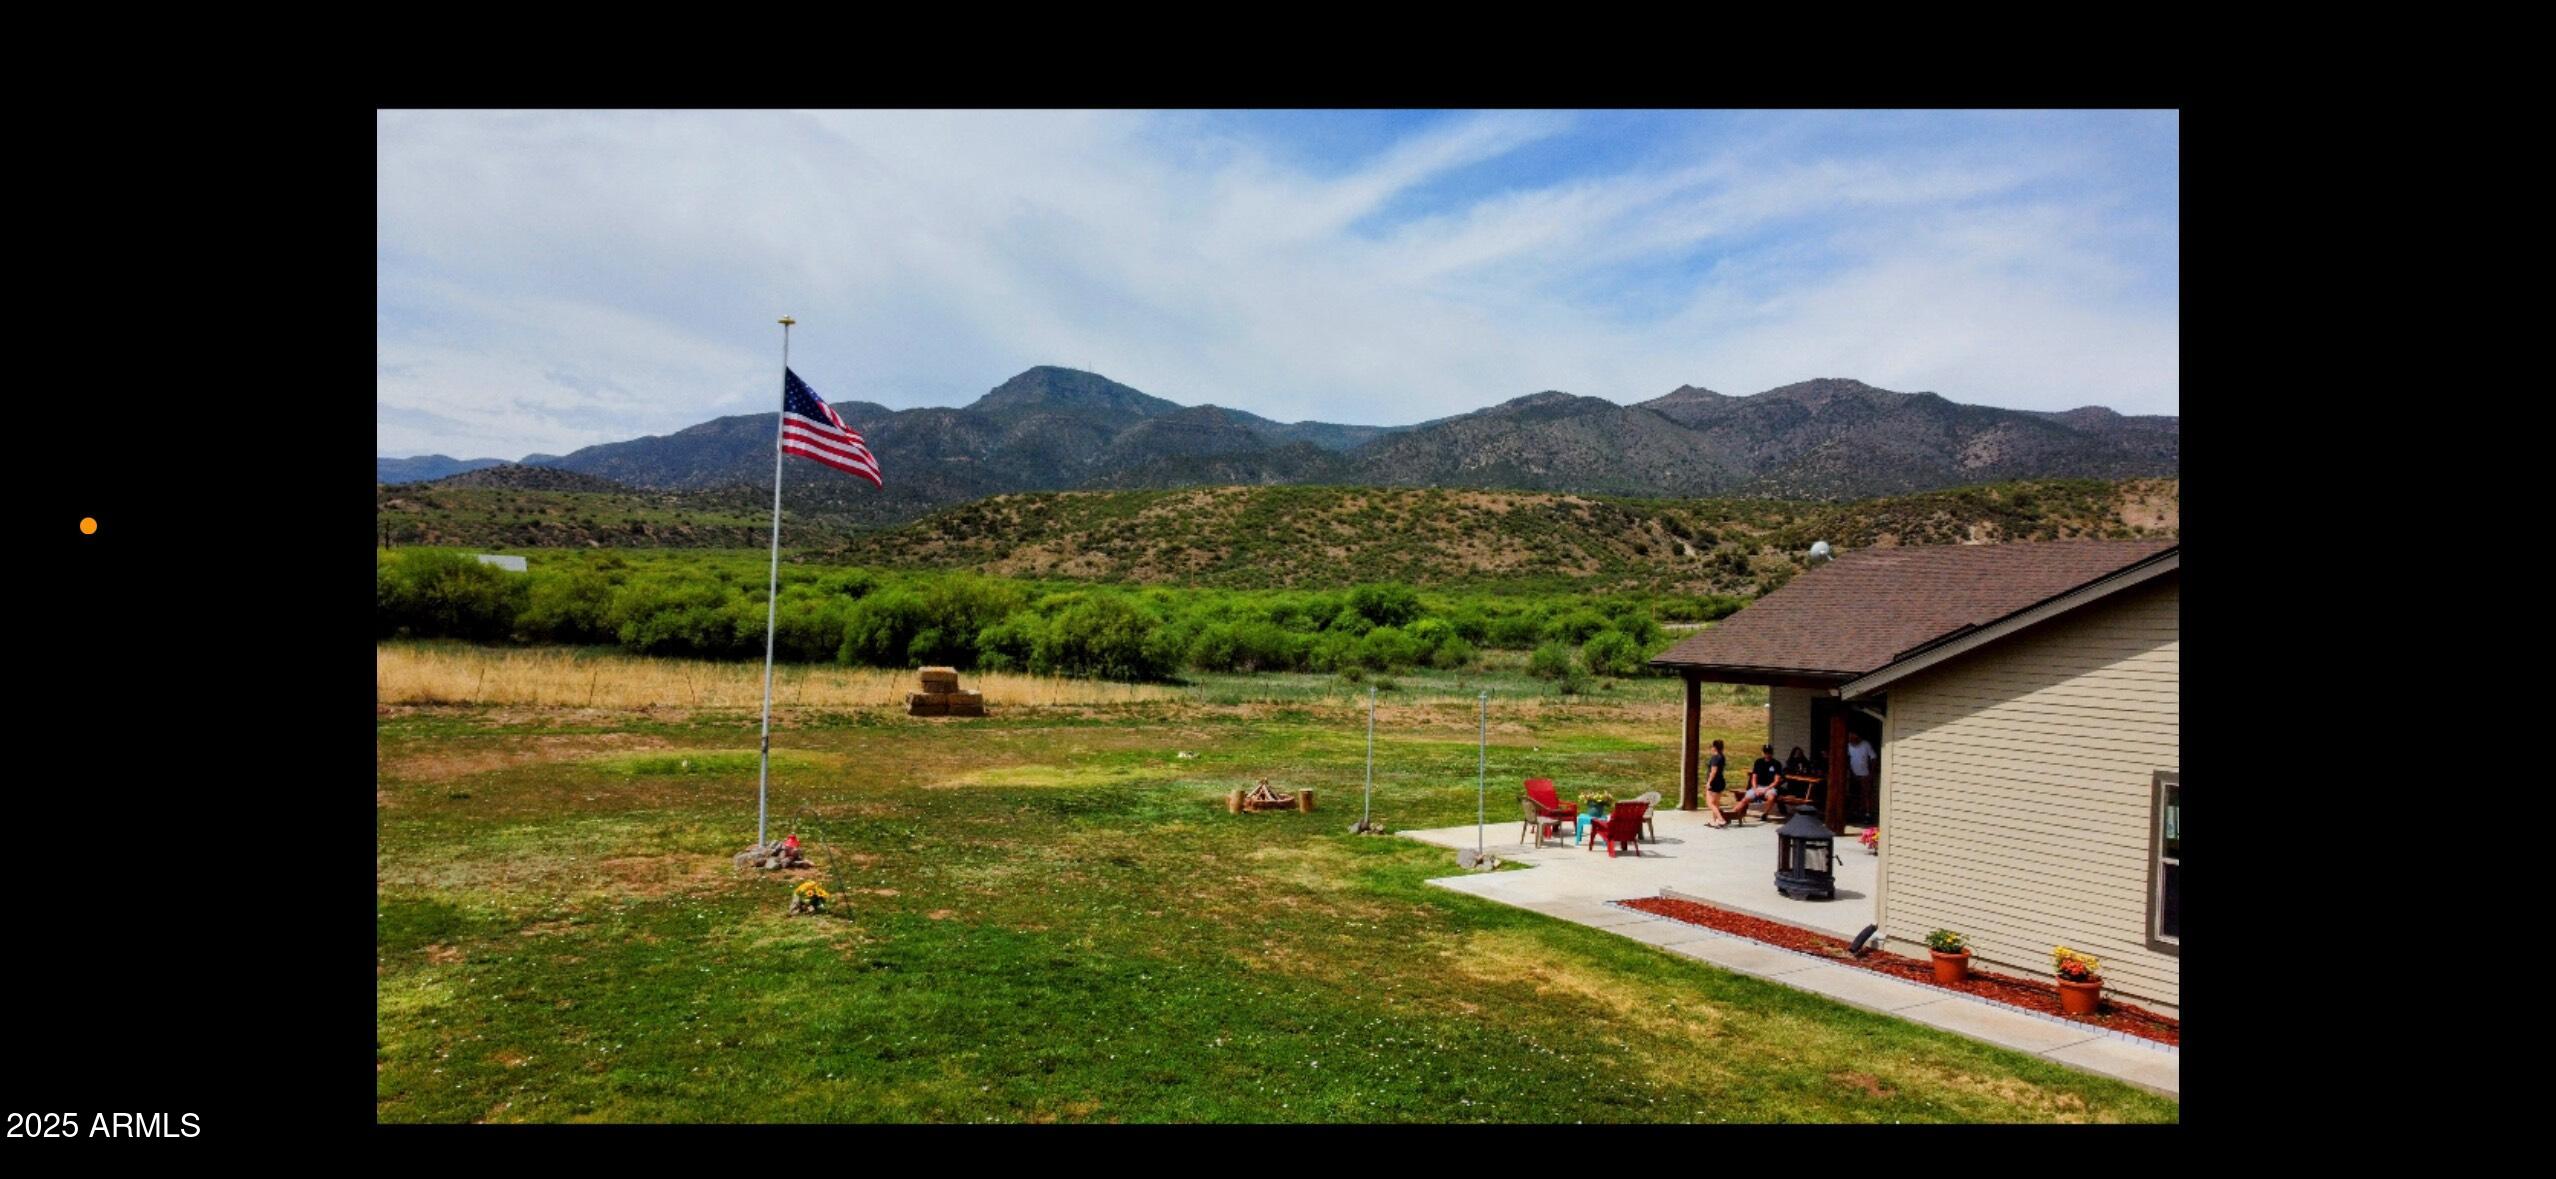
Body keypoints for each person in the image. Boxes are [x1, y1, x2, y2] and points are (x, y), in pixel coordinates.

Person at [1741, 745, 1784, 817]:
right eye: (1765, 752)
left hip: (1770, 787)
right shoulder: (1758, 762)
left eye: (1769, 752)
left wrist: (1765, 789)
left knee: (1771, 797)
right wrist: (1755, 789)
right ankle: (1732, 813)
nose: (1767, 754)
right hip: (1758, 786)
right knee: (1745, 799)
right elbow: (1754, 777)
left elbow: (1776, 781)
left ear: (1772, 753)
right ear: (1763, 753)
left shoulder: (1776, 764)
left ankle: (1765, 813)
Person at [1845, 731, 1878, 817]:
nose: (1850, 741)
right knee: (1853, 794)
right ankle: (1855, 812)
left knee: (1866, 794)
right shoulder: (1848, 746)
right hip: (1853, 774)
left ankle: (1868, 814)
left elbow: (1873, 758)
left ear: (1857, 737)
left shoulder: (1866, 744)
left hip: (1865, 774)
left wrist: (1871, 774)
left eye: (1852, 738)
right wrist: (1850, 772)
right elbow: (1848, 759)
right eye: (1849, 739)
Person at [1702, 739, 1733, 827]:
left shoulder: (1715, 758)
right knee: (1716, 803)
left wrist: (1709, 782)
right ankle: (1714, 821)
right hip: (1720, 781)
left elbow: (1713, 771)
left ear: (1714, 747)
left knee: (1710, 803)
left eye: (1711, 747)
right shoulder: (1722, 756)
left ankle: (1721, 819)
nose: (1711, 748)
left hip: (1714, 783)